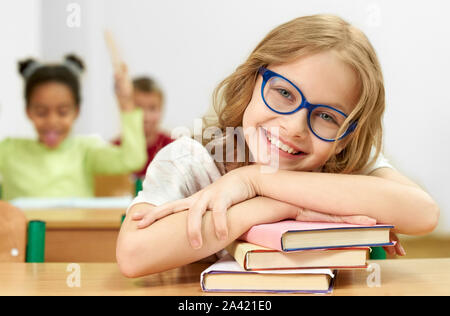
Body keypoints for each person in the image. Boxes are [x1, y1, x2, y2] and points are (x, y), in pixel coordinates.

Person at [116, 15, 440, 277]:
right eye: (284, 93)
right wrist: (280, 206)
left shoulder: (347, 159)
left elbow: (423, 213)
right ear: (251, 82)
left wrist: (254, 180)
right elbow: (133, 256)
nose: (295, 127)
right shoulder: (191, 160)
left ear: (346, 138)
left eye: (327, 115)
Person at [0, 54, 147, 200]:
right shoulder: (9, 151)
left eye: (63, 112)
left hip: (77, 224)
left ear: (76, 111)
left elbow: (132, 159)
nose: (52, 121)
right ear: (28, 111)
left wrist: (126, 103)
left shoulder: (85, 150)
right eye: (41, 112)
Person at [114, 77, 173, 179]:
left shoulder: (173, 148)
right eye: (138, 108)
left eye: (152, 108)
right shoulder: (115, 149)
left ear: (161, 109)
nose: (146, 117)